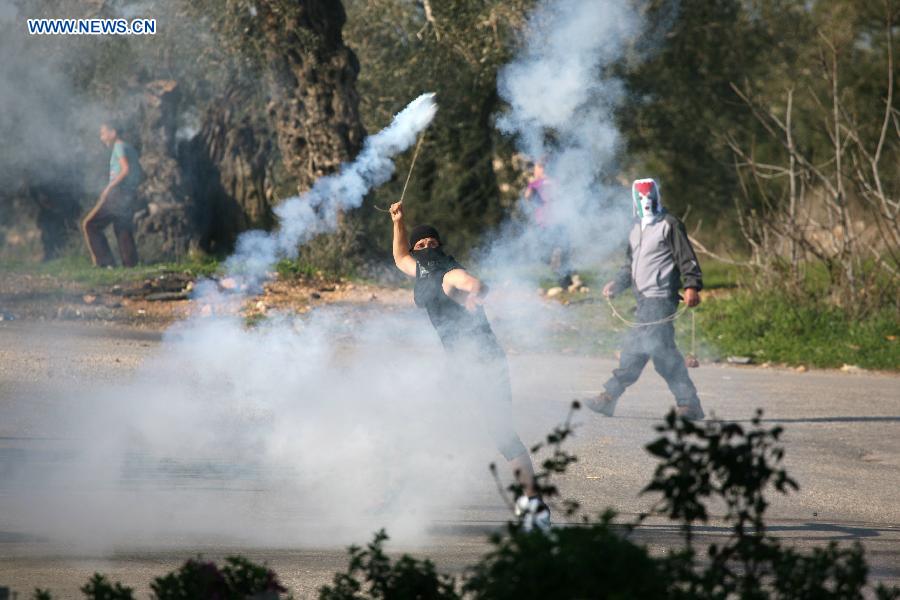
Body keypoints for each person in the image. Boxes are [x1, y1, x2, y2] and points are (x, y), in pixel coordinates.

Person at [388, 200, 550, 531]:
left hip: (484, 362)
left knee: (501, 432)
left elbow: (471, 282)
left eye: (432, 242)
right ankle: (406, 500)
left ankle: (535, 503)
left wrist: (477, 293)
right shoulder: (419, 270)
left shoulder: (449, 272)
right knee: (430, 421)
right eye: (421, 244)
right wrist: (398, 222)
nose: (427, 246)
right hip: (460, 365)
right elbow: (400, 257)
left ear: (440, 247)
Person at [584, 178, 705, 420]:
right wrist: (617, 284)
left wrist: (692, 285)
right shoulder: (634, 229)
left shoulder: (669, 225)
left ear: (657, 197)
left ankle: (609, 396)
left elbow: (686, 258)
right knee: (661, 354)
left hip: (660, 299)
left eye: (649, 197)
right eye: (641, 198)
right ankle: (689, 404)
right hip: (643, 301)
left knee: (637, 349)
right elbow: (630, 265)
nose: (646, 202)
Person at [82, 120, 141, 267]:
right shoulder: (130, 148)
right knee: (122, 228)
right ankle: (130, 266)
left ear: (113, 133)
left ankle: (105, 263)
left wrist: (109, 188)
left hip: (118, 193)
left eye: (103, 133)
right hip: (129, 193)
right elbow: (137, 171)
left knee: (90, 225)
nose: (101, 137)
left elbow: (125, 170)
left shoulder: (119, 147)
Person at [523, 159, 574, 288]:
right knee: (562, 254)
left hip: (545, 223)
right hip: (559, 221)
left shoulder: (536, 183)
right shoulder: (556, 181)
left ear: (540, 169)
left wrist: (532, 185)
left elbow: (527, 197)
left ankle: (561, 274)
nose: (535, 170)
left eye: (536, 168)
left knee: (544, 254)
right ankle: (565, 282)